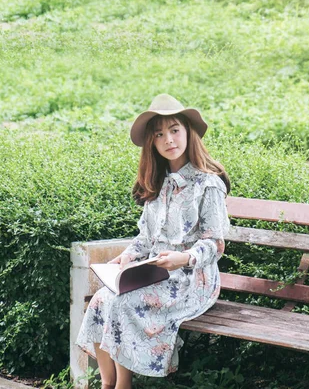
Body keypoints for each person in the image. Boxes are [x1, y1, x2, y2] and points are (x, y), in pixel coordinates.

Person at [76, 94, 231, 389]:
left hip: (191, 279)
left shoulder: (207, 183)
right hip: (154, 272)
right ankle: (106, 384)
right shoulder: (157, 183)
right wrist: (127, 257)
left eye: (174, 130)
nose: (168, 139)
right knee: (99, 300)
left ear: (188, 131)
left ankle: (123, 386)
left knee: (122, 303)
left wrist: (183, 258)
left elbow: (215, 244)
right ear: (152, 142)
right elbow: (146, 238)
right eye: (159, 134)